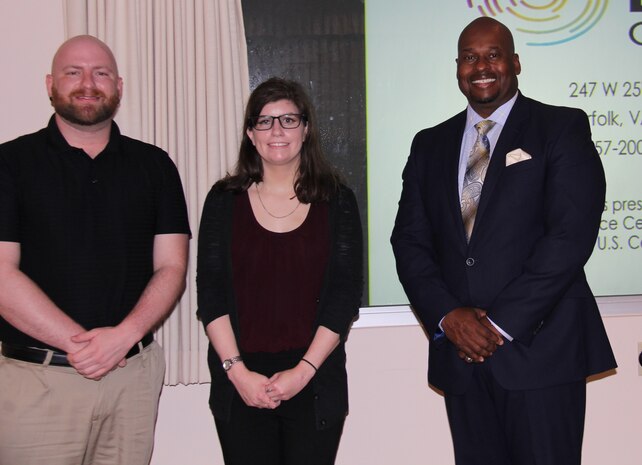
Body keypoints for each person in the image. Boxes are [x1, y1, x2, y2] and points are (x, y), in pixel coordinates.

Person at [391, 17, 616, 465]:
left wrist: (496, 326)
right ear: (457, 68)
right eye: (470, 57)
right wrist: (448, 317)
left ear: (515, 62)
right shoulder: (429, 144)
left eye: (493, 54)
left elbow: (570, 237)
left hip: (541, 354)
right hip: (462, 359)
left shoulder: (561, 128)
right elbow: (409, 242)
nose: (482, 66)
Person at [0, 35, 190, 465]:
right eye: (73, 72)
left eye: (101, 73)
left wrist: (122, 339)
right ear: (50, 83)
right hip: (37, 381)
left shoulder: (155, 166)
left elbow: (172, 267)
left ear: (119, 86)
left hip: (132, 379)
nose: (88, 83)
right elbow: (2, 276)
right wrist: (85, 347)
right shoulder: (9, 164)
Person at [197, 77, 362, 465]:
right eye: (265, 121)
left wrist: (302, 373)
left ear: (306, 129)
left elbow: (344, 296)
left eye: (289, 120)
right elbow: (211, 293)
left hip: (314, 378)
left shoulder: (337, 200)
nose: (277, 131)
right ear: (250, 134)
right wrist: (238, 374)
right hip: (241, 383)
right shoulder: (223, 202)